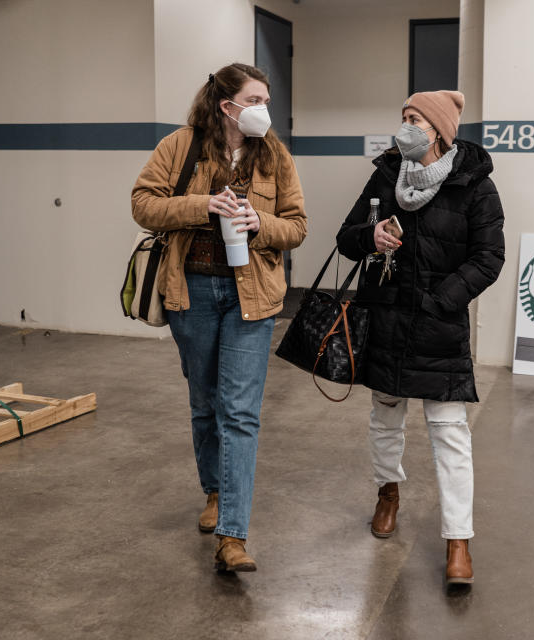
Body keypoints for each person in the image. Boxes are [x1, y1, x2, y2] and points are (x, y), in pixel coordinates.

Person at [131, 63, 307, 573]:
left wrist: (261, 222)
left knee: (240, 412)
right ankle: (213, 490)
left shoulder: (275, 155)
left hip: (252, 297)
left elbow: (297, 225)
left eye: (267, 101)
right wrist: (201, 205)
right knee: (205, 402)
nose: (263, 110)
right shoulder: (179, 146)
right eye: (254, 100)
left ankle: (233, 534)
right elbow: (143, 205)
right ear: (226, 104)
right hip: (193, 292)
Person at [336, 90, 504, 586]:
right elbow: (346, 238)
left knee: (450, 433)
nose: (406, 126)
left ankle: (458, 539)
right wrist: (372, 238)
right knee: (385, 419)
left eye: (416, 119)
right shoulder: (387, 175)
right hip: (387, 319)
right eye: (403, 117)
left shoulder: (474, 184)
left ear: (440, 131)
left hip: (438, 325)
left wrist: (438, 302)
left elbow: (487, 258)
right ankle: (388, 493)